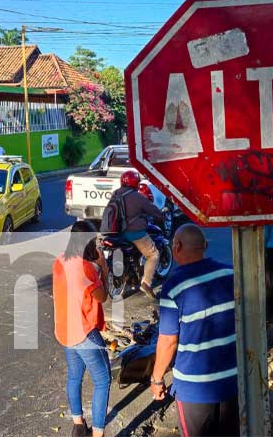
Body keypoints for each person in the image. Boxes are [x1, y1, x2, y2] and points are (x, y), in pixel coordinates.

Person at [151, 224, 239, 437]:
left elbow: (168, 342)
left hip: (195, 389)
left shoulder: (173, 287)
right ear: (205, 246)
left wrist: (157, 379)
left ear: (177, 246)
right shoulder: (231, 274)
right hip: (233, 382)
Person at [52, 220, 111, 437]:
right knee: (103, 380)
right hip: (83, 333)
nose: (97, 244)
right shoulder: (87, 269)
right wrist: (103, 267)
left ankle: (78, 426)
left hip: (65, 330)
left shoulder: (59, 259)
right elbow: (103, 296)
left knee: (75, 377)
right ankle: (97, 434)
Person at [108, 170, 164, 300]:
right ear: (135, 183)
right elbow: (151, 209)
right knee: (153, 254)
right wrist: (160, 216)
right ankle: (146, 283)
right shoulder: (137, 196)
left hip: (115, 233)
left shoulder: (115, 194)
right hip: (133, 233)